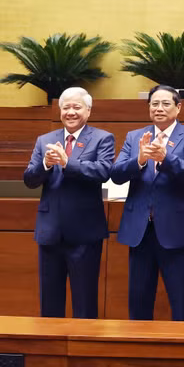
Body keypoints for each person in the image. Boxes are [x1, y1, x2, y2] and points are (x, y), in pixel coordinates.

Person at [110, 84, 184, 321]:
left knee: (180, 302)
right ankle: (138, 355)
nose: (159, 108)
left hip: (177, 233)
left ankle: (182, 356)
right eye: (154, 104)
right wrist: (140, 159)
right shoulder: (135, 137)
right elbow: (117, 173)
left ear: (178, 107)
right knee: (139, 303)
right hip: (140, 232)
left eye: (165, 104)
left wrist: (167, 159)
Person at [23, 87, 114, 319]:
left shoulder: (102, 138)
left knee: (84, 301)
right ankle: (49, 350)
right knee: (49, 300)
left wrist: (66, 163)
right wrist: (44, 164)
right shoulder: (45, 140)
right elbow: (29, 180)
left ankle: (85, 350)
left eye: (76, 107)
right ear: (60, 110)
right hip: (49, 230)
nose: (70, 112)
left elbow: (103, 172)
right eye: (66, 107)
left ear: (88, 111)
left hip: (85, 233)